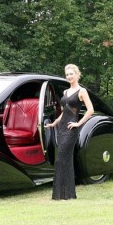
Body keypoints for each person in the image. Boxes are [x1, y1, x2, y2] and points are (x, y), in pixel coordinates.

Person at [45, 64, 94, 200]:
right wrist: (54, 123)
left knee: (61, 159)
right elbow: (64, 112)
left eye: (71, 74)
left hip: (72, 129)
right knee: (65, 160)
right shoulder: (66, 92)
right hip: (61, 129)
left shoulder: (82, 91)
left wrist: (78, 123)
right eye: (67, 74)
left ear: (77, 75)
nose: (69, 77)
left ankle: (60, 194)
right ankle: (68, 194)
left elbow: (90, 110)